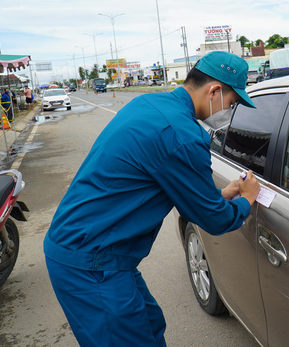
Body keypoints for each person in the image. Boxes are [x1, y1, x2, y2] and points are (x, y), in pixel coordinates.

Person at [43, 51, 261, 347]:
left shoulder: (148, 104)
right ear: (214, 91)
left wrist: (222, 195)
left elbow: (168, 185)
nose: (230, 111)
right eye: (233, 103)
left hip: (92, 247)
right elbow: (215, 219)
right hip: (91, 260)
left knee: (149, 324)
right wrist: (247, 199)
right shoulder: (181, 134)